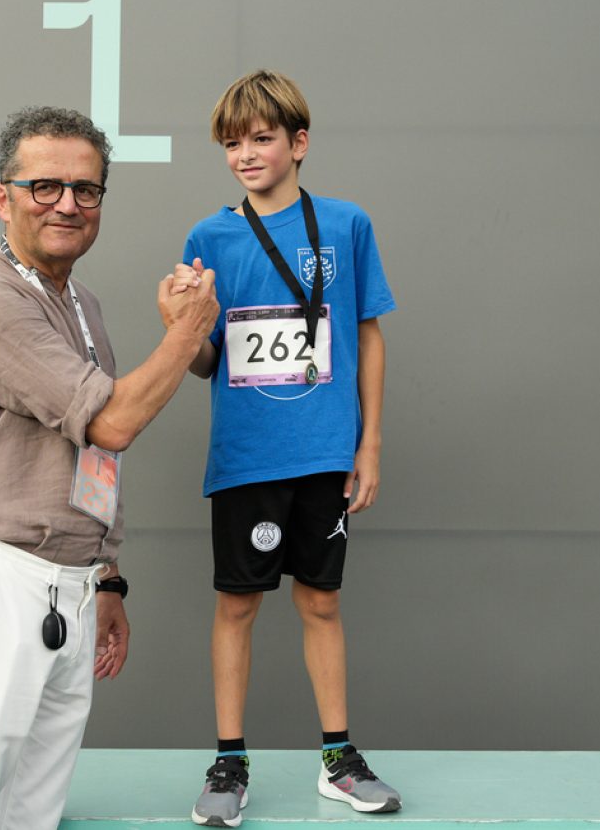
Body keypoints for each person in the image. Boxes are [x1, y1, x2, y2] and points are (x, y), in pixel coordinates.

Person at [0, 105, 219, 830]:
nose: (67, 204)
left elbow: (93, 455)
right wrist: (188, 332)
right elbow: (113, 422)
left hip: (67, 591)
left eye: (86, 189)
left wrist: (106, 577)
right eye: (44, 186)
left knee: (30, 817)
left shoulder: (80, 303)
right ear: (2, 197)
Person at [172, 70, 400, 826]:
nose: (245, 154)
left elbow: (367, 333)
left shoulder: (346, 225)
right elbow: (206, 360)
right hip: (247, 454)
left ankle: (338, 758)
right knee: (236, 604)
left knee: (322, 601)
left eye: (261, 139)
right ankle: (229, 761)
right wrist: (181, 328)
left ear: (298, 143)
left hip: (326, 451)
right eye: (232, 143)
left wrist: (369, 443)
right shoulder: (208, 238)